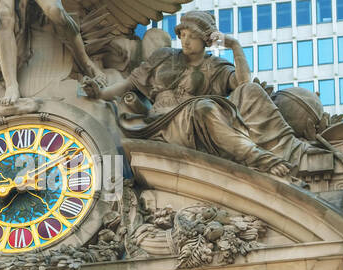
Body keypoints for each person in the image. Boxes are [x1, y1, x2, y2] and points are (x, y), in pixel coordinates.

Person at [83, 11, 318, 177]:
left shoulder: (214, 66)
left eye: (192, 36)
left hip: (196, 126)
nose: (185, 40)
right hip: (160, 123)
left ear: (206, 39)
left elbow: (244, 83)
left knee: (247, 92)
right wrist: (101, 93)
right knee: (204, 107)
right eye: (183, 34)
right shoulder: (163, 56)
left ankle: (281, 149)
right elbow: (128, 85)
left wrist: (234, 46)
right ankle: (256, 156)